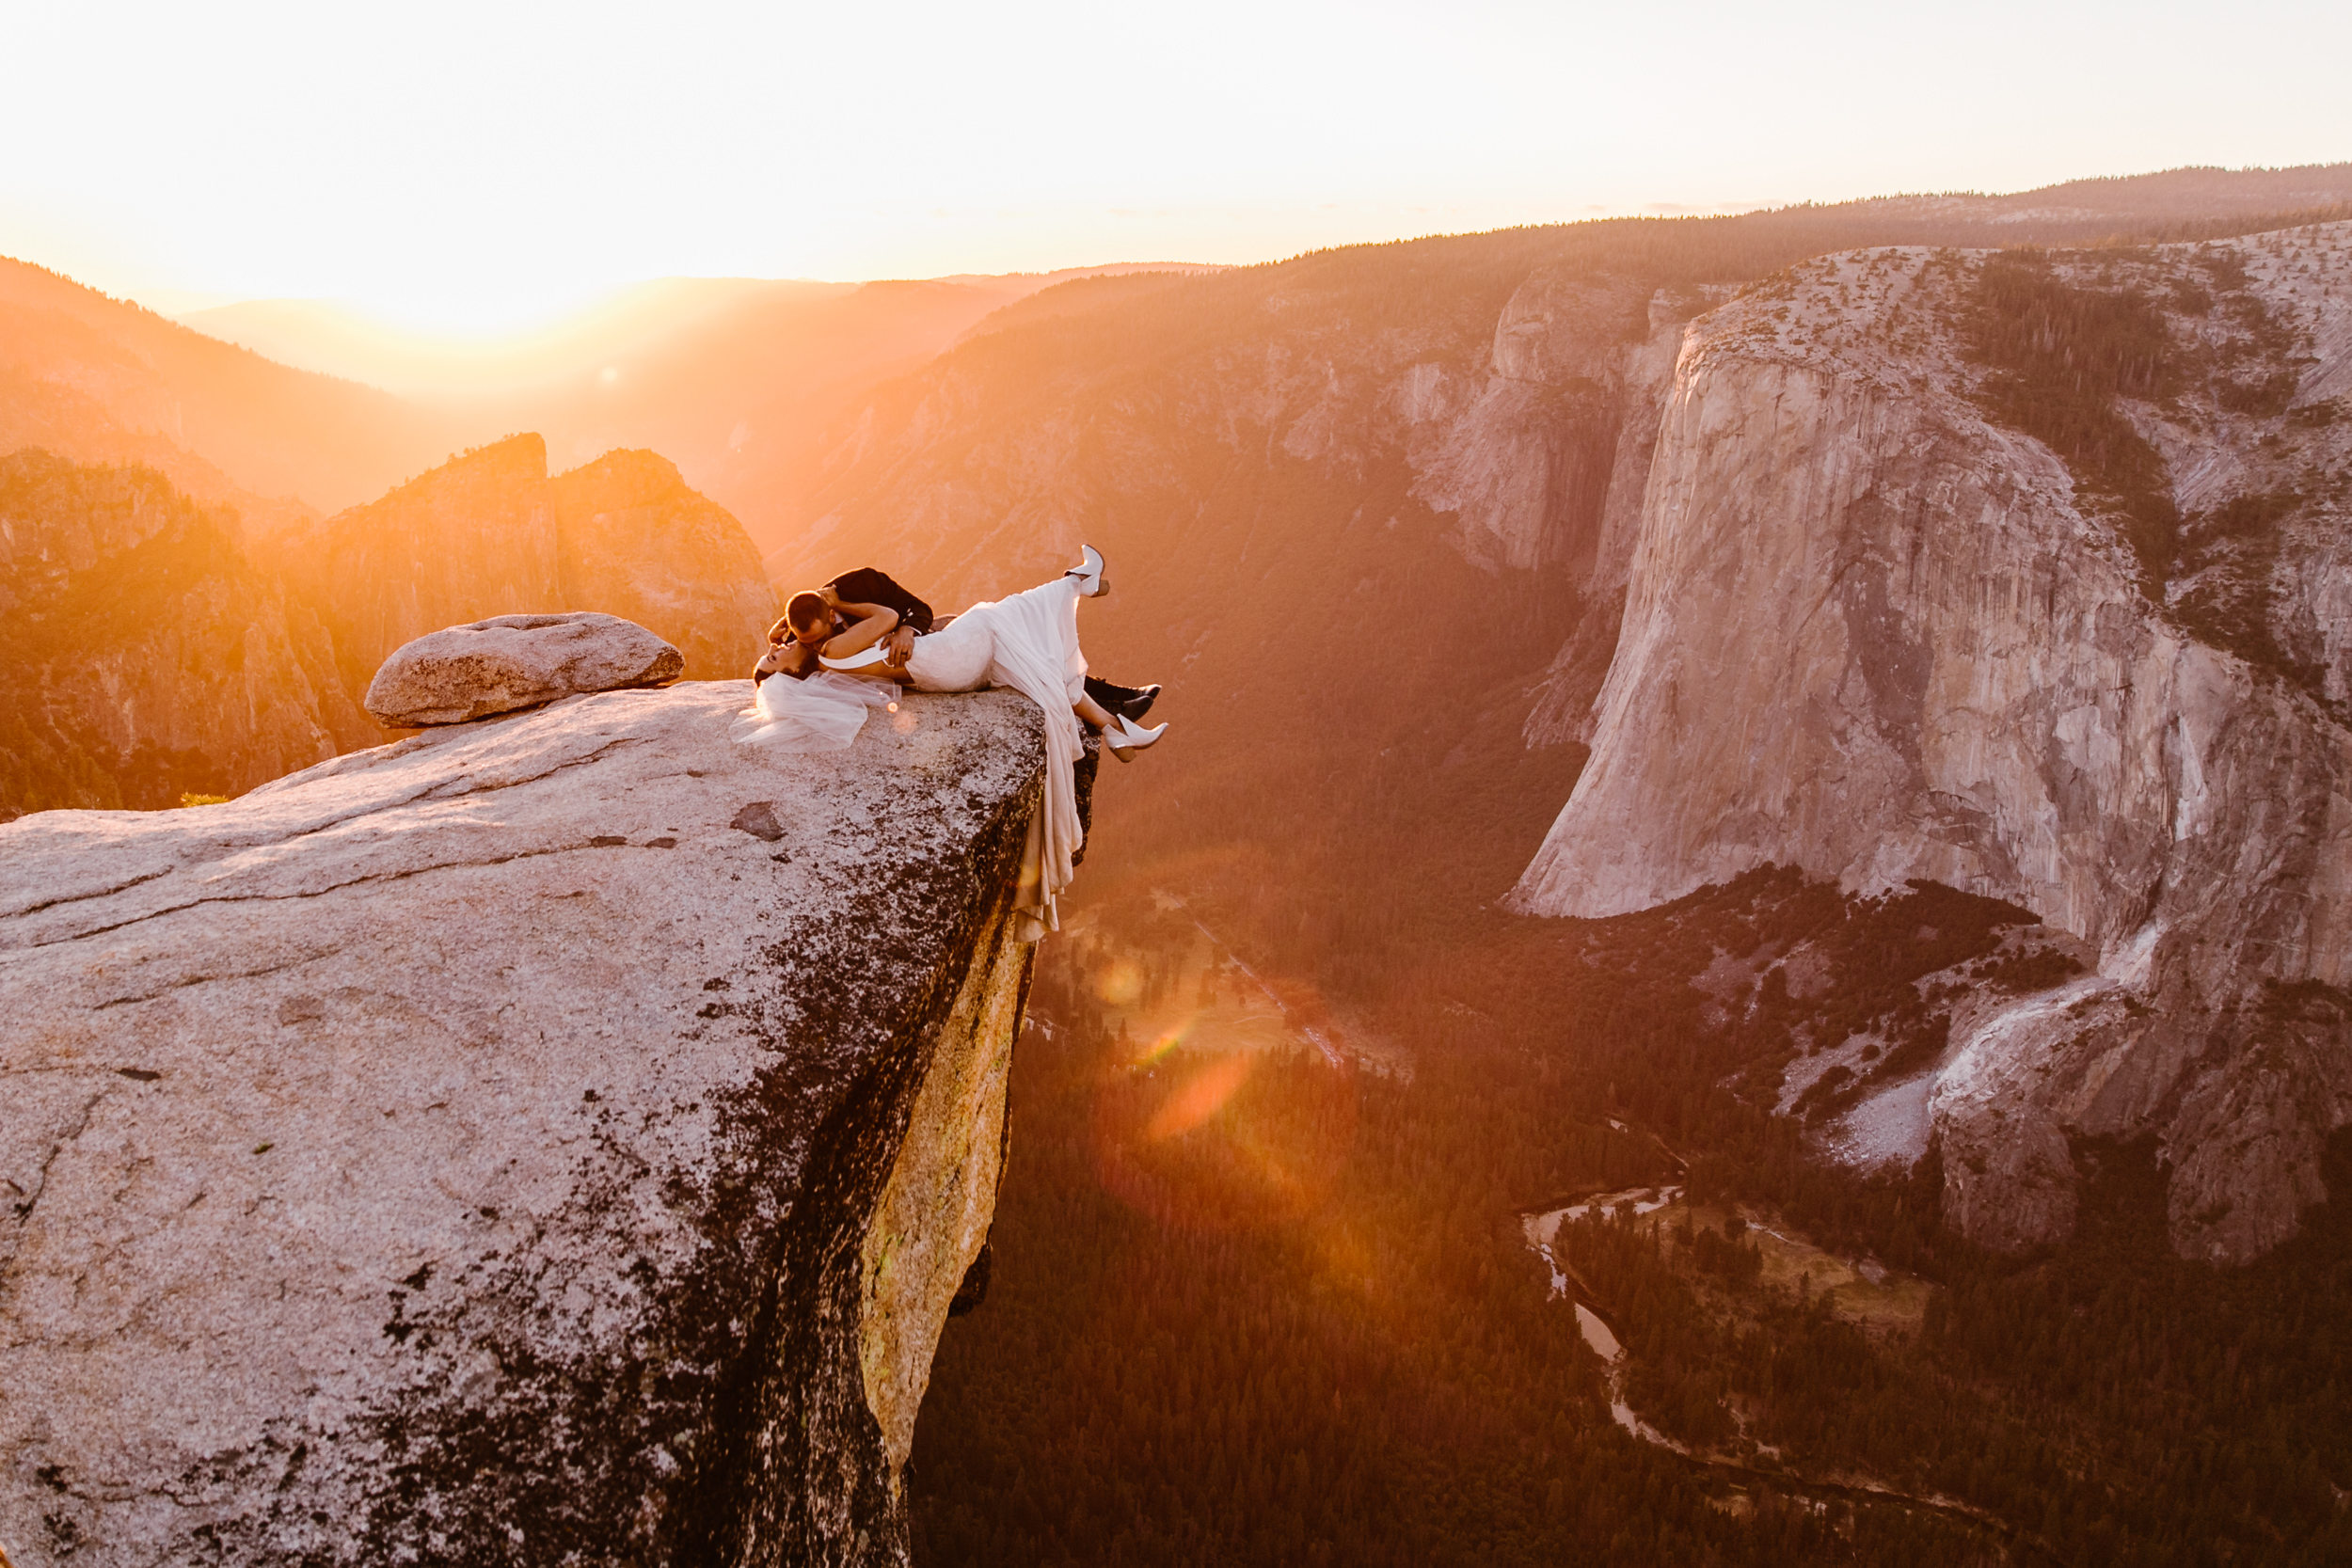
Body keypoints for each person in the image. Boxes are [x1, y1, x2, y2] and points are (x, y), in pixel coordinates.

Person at [739, 547, 1164, 935]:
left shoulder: (826, 651)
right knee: (1004, 614)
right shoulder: (831, 650)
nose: (780, 645)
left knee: (1035, 662)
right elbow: (887, 618)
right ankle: (1076, 582)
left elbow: (883, 616)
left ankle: (1114, 728)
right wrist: (837, 604)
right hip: (947, 660)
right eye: (776, 655)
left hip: (946, 663)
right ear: (796, 672)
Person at [754, 565, 1161, 724]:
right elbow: (794, 641)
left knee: (1016, 640)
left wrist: (911, 631)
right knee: (1012, 629)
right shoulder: (820, 646)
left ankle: (1117, 709)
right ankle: (1075, 584)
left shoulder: (862, 583)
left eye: (814, 633)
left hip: (925, 639)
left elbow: (916, 609)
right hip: (932, 663)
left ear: (825, 615)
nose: (801, 640)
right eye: (798, 641)